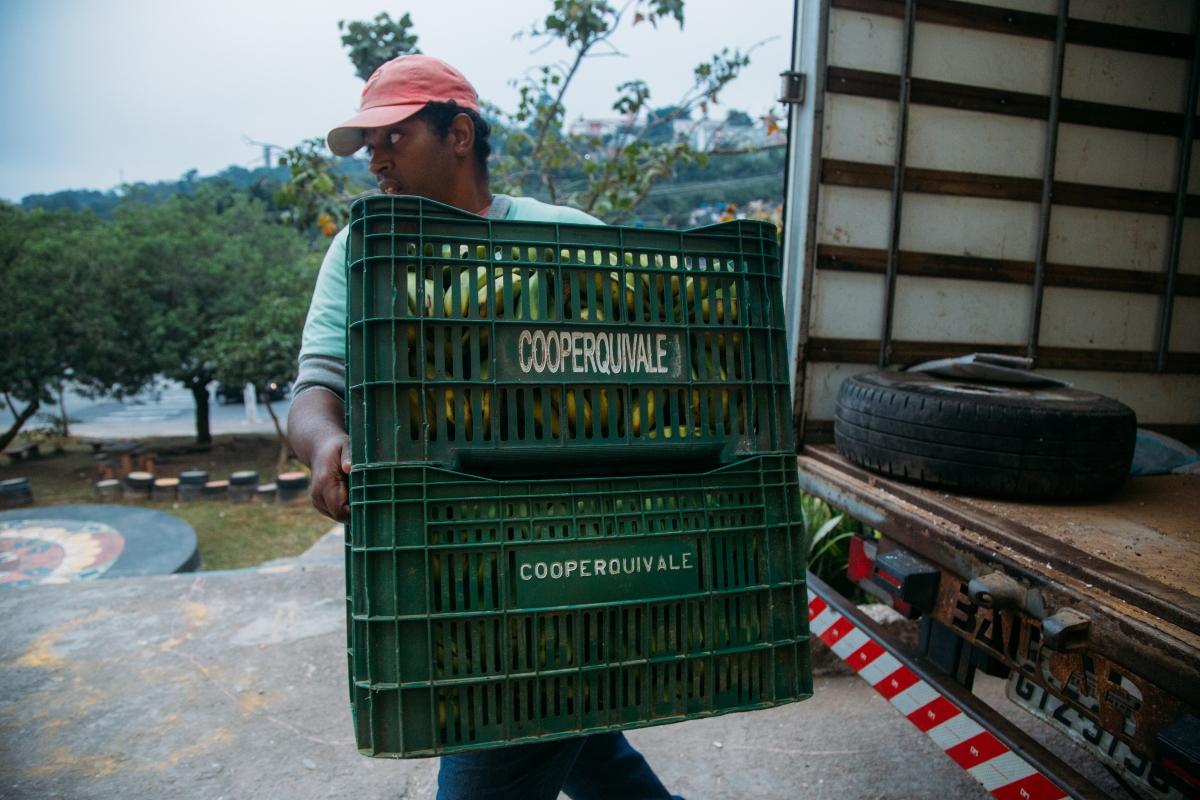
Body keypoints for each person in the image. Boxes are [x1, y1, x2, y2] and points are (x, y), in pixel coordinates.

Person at [287, 55, 683, 800]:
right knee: (589, 742)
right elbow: (317, 386)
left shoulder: (567, 238)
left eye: (393, 137)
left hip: (567, 564)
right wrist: (325, 443)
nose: (374, 158)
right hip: (445, 569)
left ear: (458, 134)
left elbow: (660, 368)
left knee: (507, 736)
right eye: (367, 144)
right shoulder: (363, 249)